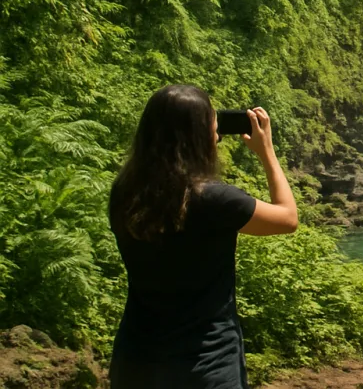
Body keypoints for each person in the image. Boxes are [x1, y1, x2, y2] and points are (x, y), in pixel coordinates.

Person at [108, 85, 299, 389]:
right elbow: (287, 218)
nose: (219, 132)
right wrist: (268, 154)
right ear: (196, 134)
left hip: (135, 362)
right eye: (214, 122)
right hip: (204, 364)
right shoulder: (215, 199)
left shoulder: (125, 193)